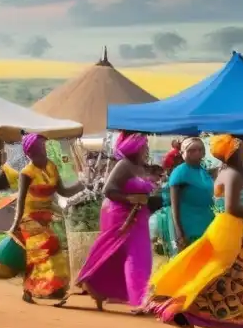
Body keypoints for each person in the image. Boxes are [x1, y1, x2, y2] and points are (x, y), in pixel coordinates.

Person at [148, 134, 243, 328]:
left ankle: (185, 313)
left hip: (223, 227)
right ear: (234, 154)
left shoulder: (222, 172)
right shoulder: (233, 175)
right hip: (228, 230)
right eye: (242, 151)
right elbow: (233, 207)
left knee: (213, 276)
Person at [75, 132, 154, 312]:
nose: (146, 149)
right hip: (119, 215)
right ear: (135, 148)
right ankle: (139, 300)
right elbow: (108, 190)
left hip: (139, 216)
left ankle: (109, 290)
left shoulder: (141, 167)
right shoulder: (123, 166)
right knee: (123, 253)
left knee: (140, 255)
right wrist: (130, 199)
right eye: (144, 145)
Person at [8, 132, 83, 306]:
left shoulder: (52, 167)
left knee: (40, 255)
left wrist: (79, 186)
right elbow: (20, 200)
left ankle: (35, 289)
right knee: (48, 247)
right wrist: (15, 223)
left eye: (44, 145)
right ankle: (48, 290)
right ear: (32, 151)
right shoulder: (26, 173)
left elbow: (63, 191)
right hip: (30, 218)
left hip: (46, 217)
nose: (44, 149)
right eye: (40, 146)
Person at [168, 137, 215, 250]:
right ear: (183, 153)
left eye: (200, 150)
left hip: (207, 222)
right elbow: (174, 206)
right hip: (189, 226)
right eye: (192, 150)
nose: (197, 153)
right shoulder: (180, 173)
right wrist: (179, 232)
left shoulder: (203, 171)